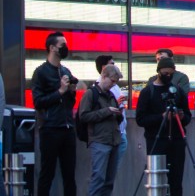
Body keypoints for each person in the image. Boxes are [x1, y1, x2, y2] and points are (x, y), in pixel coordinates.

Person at [136, 57, 192, 196]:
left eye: (171, 74)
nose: (168, 76)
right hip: (157, 141)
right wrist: (161, 117)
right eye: (165, 73)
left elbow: (188, 115)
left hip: (176, 141)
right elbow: (141, 119)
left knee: (176, 180)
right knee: (157, 180)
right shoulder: (148, 92)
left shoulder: (177, 91)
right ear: (158, 71)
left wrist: (181, 116)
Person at [31, 31, 78, 196]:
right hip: (50, 128)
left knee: (70, 175)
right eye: (62, 45)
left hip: (67, 127)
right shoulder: (41, 72)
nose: (65, 48)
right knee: (47, 173)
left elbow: (70, 102)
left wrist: (71, 91)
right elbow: (38, 102)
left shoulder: (65, 70)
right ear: (52, 48)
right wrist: (60, 91)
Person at [79, 64, 125, 196]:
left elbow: (117, 119)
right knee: (98, 179)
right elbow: (84, 116)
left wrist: (118, 114)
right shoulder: (90, 94)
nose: (113, 84)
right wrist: (106, 111)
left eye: (116, 82)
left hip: (114, 140)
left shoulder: (111, 95)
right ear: (104, 76)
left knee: (109, 181)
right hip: (99, 141)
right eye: (112, 81)